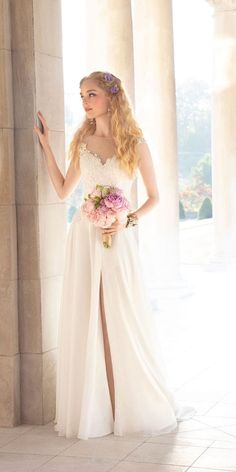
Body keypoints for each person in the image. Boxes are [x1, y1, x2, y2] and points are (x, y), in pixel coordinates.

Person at [33, 70, 196, 440]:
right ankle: (97, 408)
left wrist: (127, 221)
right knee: (89, 315)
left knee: (117, 315)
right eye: (81, 95)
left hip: (117, 239)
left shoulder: (135, 143)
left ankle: (127, 402)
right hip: (84, 238)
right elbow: (62, 191)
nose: (85, 101)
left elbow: (155, 197)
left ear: (111, 97)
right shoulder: (83, 142)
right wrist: (45, 146)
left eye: (91, 94)